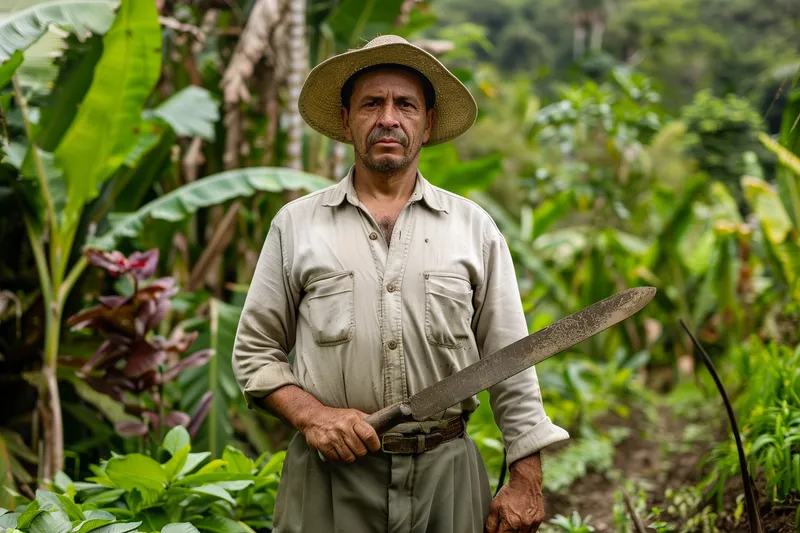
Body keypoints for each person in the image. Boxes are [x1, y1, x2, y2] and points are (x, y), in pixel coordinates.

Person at [232, 34, 569, 533]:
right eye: (372, 103)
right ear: (347, 120)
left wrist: (526, 478)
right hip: (329, 483)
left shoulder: (473, 228)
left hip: (446, 480)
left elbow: (511, 361)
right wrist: (313, 416)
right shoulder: (296, 225)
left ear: (427, 123)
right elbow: (255, 352)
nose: (388, 117)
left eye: (405, 104)